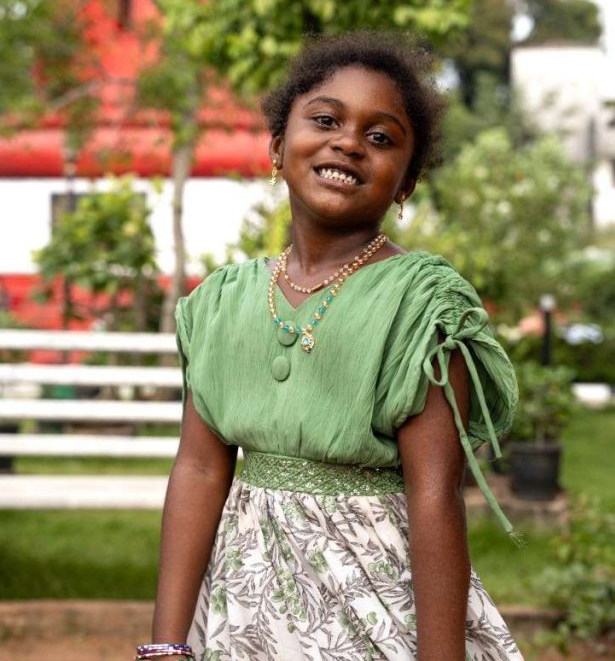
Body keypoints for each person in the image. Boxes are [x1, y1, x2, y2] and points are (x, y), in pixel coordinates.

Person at [149, 32, 522, 661]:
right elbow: (200, 469)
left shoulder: (423, 306)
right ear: (277, 147)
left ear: (405, 184)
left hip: (374, 612)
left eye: (381, 138)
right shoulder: (221, 303)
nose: (349, 141)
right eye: (325, 120)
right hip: (243, 613)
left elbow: (435, 495)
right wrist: (165, 646)